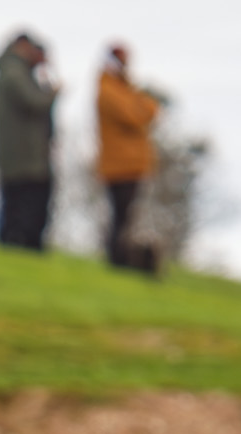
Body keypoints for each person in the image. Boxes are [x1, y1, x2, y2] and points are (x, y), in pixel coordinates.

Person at [95, 44, 164, 272]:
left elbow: (150, 109)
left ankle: (125, 259)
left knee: (128, 216)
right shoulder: (107, 91)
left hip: (132, 164)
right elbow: (138, 115)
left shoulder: (125, 89)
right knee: (121, 216)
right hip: (119, 165)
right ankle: (118, 259)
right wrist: (143, 109)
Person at [0, 33, 59, 251]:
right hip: (24, 156)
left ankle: (20, 247)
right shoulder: (14, 73)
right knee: (23, 206)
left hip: (25, 154)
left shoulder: (18, 72)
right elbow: (35, 102)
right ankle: (20, 247)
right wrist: (52, 93)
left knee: (21, 204)